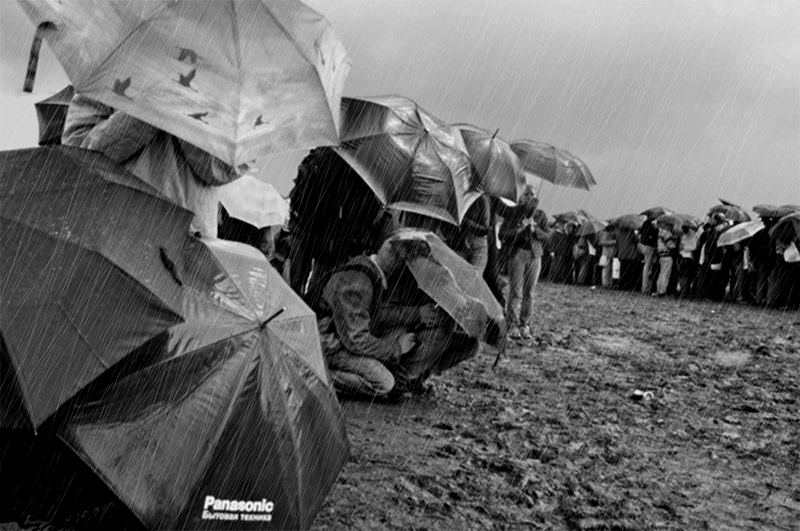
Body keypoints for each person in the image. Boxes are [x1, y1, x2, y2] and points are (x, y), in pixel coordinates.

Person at [62, 94, 251, 238]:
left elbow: (227, 168)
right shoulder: (115, 58)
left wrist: (183, 106)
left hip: (186, 243)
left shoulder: (227, 83)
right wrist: (151, 105)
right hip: (113, 232)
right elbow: (78, 154)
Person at [314, 235, 430, 399]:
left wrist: (416, 315)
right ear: (397, 262)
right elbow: (356, 339)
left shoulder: (369, 275)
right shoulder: (359, 281)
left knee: (395, 340)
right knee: (383, 382)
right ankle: (315, 374)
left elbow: (377, 316)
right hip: (327, 344)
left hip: (338, 339)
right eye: (405, 264)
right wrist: (395, 349)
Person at [498, 185, 549, 339]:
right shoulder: (513, 212)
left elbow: (547, 236)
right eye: (526, 194)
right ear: (521, 196)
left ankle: (524, 324)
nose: (529, 197)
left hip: (535, 255)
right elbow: (502, 234)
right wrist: (520, 229)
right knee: (516, 291)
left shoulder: (540, 215)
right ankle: (511, 324)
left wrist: (535, 230)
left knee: (530, 293)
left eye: (532, 194)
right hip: (517, 254)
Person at [454, 194, 491, 274]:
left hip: (477, 247)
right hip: (461, 244)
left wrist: (466, 222)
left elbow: (485, 229)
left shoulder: (481, 199)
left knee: (473, 280)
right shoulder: (457, 196)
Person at [637, 218, 659, 295]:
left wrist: (640, 243)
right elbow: (655, 239)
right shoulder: (654, 228)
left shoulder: (645, 223)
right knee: (648, 268)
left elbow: (639, 235)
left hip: (643, 246)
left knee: (647, 268)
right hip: (650, 248)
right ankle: (646, 288)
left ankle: (646, 287)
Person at [655, 224, 678, 297]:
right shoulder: (667, 233)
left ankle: (658, 289)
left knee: (661, 274)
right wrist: (675, 243)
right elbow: (670, 245)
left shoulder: (660, 233)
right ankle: (663, 291)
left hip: (661, 255)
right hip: (667, 255)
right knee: (666, 274)